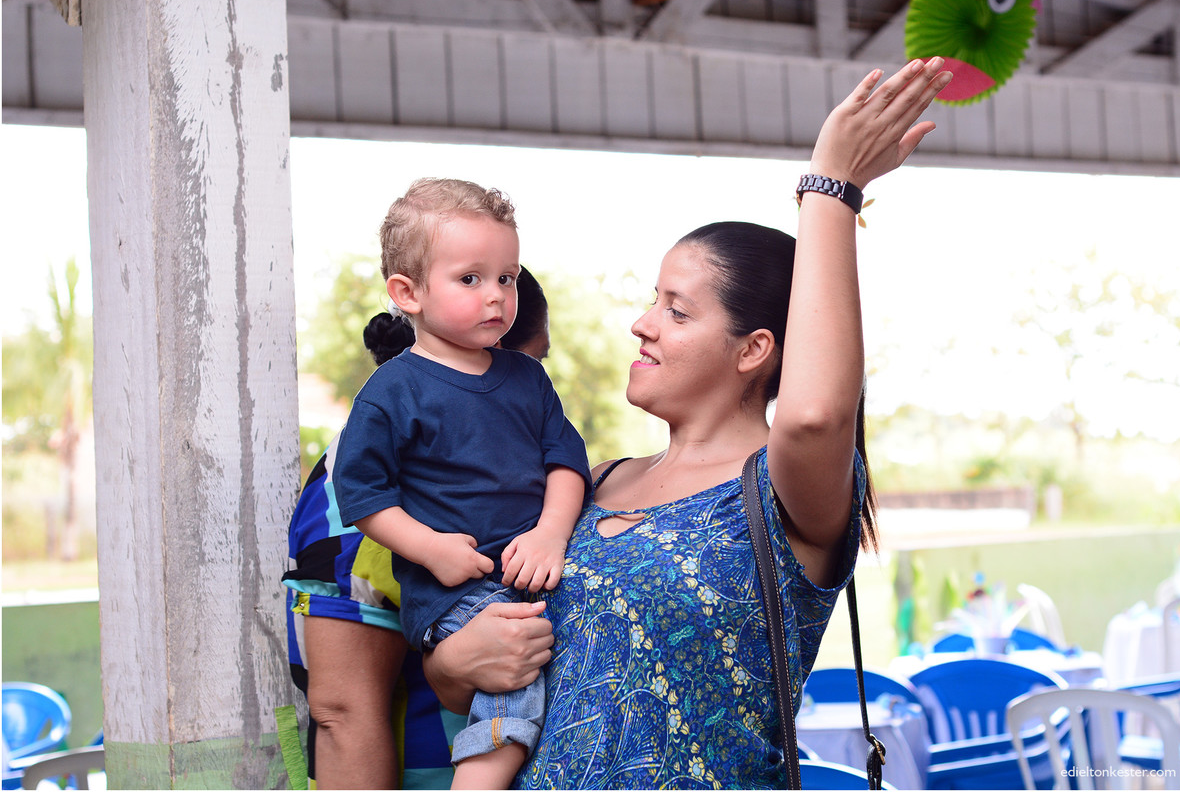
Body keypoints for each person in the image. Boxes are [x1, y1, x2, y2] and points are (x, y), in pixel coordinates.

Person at [420, 57, 954, 788]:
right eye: (653, 300)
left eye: (677, 309)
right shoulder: (588, 484)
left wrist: (830, 185)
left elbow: (813, 413)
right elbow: (489, 683)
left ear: (754, 349)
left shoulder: (784, 493)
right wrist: (451, 660)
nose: (643, 325)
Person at [330, 177, 590, 790]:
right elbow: (363, 495)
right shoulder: (393, 391)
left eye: (507, 277)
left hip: (533, 565)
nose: (498, 296)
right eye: (470, 279)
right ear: (408, 292)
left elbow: (566, 463)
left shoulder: (527, 379)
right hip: (459, 586)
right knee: (515, 654)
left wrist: (552, 533)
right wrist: (432, 550)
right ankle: (476, 783)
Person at [283, 263, 563, 790]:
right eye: (537, 361)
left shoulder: (494, 467)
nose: (541, 384)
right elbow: (343, 713)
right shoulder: (365, 492)